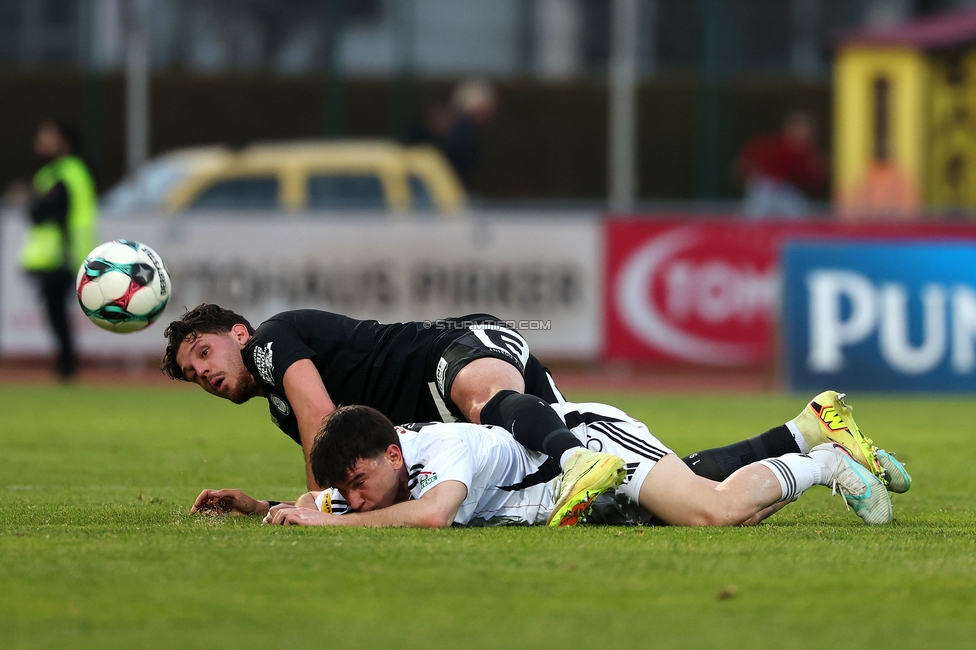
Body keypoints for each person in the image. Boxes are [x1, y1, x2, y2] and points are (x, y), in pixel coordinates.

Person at [163, 305, 628, 524]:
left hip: (450, 349)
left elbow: (324, 425)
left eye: (205, 352)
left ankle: (574, 458)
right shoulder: (282, 409)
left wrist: (320, 518)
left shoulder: (268, 342)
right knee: (622, 474)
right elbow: (354, 482)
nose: (204, 372)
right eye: (193, 372)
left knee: (486, 403)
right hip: (459, 406)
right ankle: (680, 478)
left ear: (240, 334)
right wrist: (262, 508)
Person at [193, 391, 911, 528]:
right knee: (711, 492)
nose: (356, 496)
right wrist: (258, 506)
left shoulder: (442, 450)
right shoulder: (373, 475)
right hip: (582, 495)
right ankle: (809, 429)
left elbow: (435, 516)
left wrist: (329, 527)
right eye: (348, 490)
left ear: (392, 452)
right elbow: (333, 503)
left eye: (360, 481)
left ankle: (826, 467)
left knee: (713, 513)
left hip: (589, 446)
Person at [18, 120, 99, 379]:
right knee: (58, 314)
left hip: (59, 256)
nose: (41, 140)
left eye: (48, 135)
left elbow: (44, 213)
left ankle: (66, 367)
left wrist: (32, 204)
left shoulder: (61, 173)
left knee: (58, 315)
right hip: (65, 254)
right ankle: (66, 365)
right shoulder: (68, 172)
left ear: (63, 142)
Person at [734, 111, 826, 219]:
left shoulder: (806, 154)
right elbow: (742, 167)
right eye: (800, 128)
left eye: (806, 130)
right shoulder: (770, 144)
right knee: (755, 214)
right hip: (764, 188)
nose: (803, 133)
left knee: (801, 213)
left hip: (785, 192)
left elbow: (816, 179)